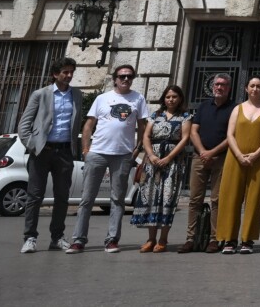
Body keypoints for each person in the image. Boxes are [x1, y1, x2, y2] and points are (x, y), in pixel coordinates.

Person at [68, 63, 148, 254]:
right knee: (87, 199)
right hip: (98, 152)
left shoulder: (138, 99)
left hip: (122, 155)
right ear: (115, 79)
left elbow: (143, 127)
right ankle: (78, 240)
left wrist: (137, 151)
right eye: (122, 76)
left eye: (129, 76)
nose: (126, 79)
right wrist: (86, 150)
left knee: (117, 199)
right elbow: (88, 125)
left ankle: (112, 240)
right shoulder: (102, 98)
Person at [18, 57, 82, 254]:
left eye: (71, 72)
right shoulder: (41, 94)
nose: (69, 75)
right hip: (42, 152)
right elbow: (24, 126)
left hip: (64, 152)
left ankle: (57, 237)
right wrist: (35, 146)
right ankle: (30, 238)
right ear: (55, 74)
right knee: (34, 196)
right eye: (65, 72)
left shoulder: (77, 95)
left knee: (62, 197)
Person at [216, 76, 260, 254]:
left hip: (259, 160)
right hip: (235, 158)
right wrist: (239, 155)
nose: (255, 89)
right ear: (246, 89)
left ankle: (247, 240)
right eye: (252, 86)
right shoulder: (238, 109)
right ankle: (229, 239)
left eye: (258, 86)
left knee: (254, 199)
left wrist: (256, 154)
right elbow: (230, 134)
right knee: (231, 197)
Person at [131, 85, 192, 252]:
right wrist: (151, 155)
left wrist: (169, 158)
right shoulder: (155, 115)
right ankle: (150, 239)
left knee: (167, 199)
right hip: (153, 162)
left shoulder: (185, 117)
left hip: (173, 162)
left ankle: (163, 239)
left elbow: (185, 138)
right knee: (151, 198)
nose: (171, 99)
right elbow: (146, 136)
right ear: (163, 99)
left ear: (180, 99)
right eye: (168, 97)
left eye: (174, 96)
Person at [179, 73, 234, 253]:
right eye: (217, 84)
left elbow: (231, 136)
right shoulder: (203, 106)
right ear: (213, 86)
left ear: (229, 88)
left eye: (223, 85)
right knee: (195, 199)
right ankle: (191, 238)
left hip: (221, 158)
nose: (220, 87)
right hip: (199, 157)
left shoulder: (234, 108)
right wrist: (202, 151)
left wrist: (212, 152)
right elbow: (194, 131)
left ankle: (214, 238)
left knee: (217, 200)